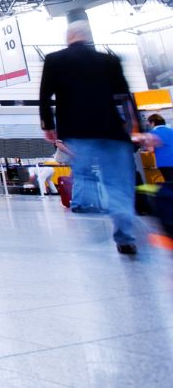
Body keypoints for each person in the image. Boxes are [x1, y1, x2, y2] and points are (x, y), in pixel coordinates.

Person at [40, 20, 140, 256]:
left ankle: (87, 209)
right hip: (112, 131)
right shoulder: (110, 60)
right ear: (88, 37)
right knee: (118, 184)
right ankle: (124, 231)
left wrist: (48, 125)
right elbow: (125, 96)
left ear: (69, 37)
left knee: (84, 173)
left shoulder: (55, 60)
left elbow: (45, 95)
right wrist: (137, 127)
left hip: (77, 130)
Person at [147, 114, 173, 182]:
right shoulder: (172, 130)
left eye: (149, 123)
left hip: (165, 162)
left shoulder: (152, 133)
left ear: (152, 123)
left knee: (170, 183)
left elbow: (150, 150)